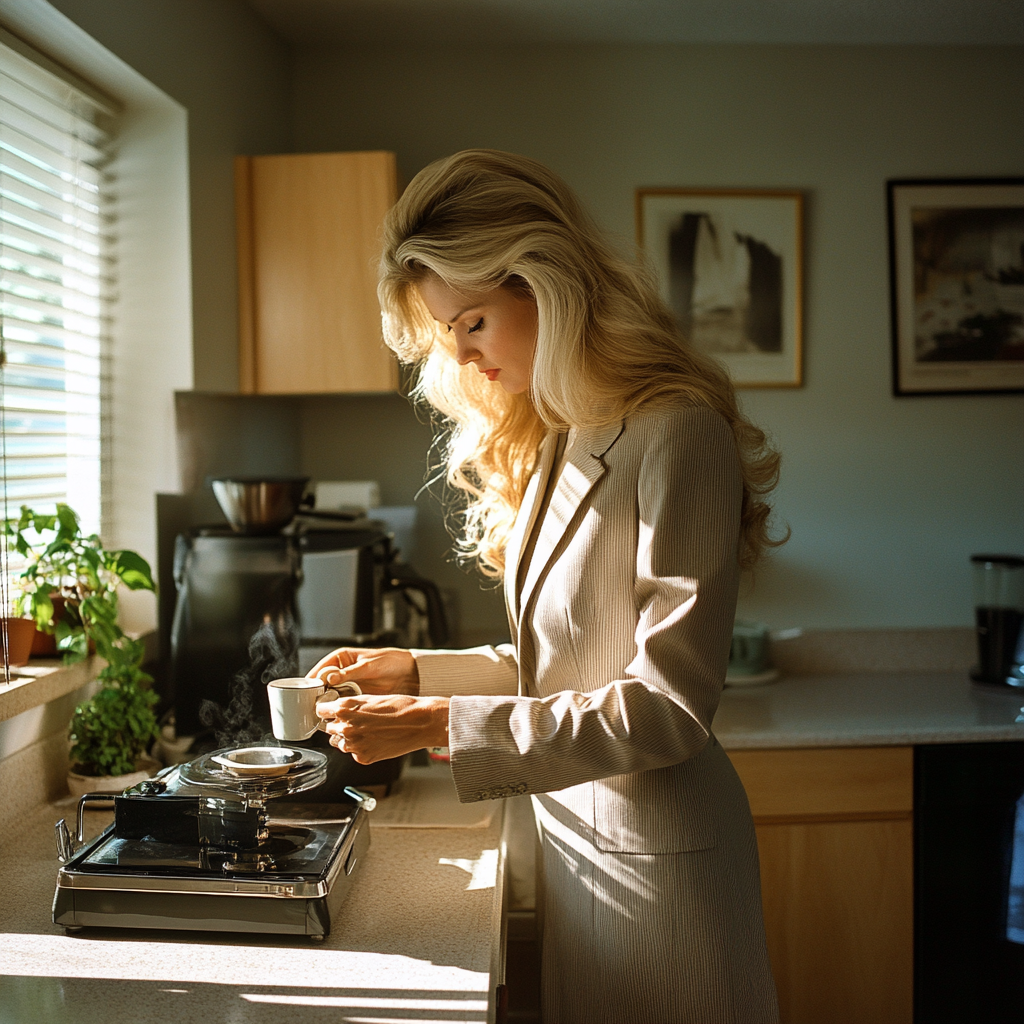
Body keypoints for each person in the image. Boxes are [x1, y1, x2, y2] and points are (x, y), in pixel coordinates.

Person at [310, 149, 781, 1024]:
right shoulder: (562, 430)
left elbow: (669, 707)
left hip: (663, 871)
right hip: (579, 853)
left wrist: (440, 727)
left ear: (543, 282)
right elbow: (558, 658)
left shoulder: (677, 433)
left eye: (474, 321)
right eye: (446, 330)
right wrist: (414, 673)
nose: (461, 353)